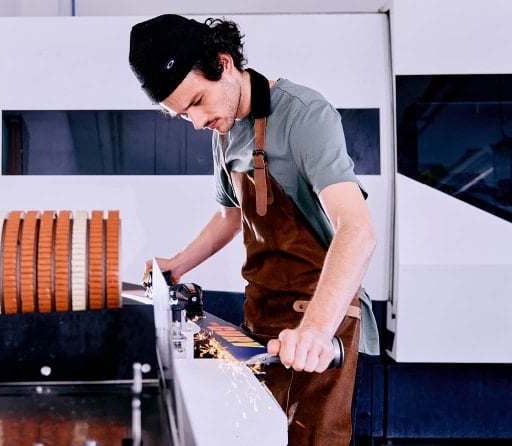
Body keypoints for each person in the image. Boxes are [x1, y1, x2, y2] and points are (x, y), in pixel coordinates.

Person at [128, 14, 380, 446]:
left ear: (223, 63)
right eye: (182, 115)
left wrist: (316, 331)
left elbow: (356, 229)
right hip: (264, 314)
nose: (196, 121)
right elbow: (231, 216)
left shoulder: (304, 115)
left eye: (196, 102)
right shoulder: (224, 131)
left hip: (320, 324)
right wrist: (178, 265)